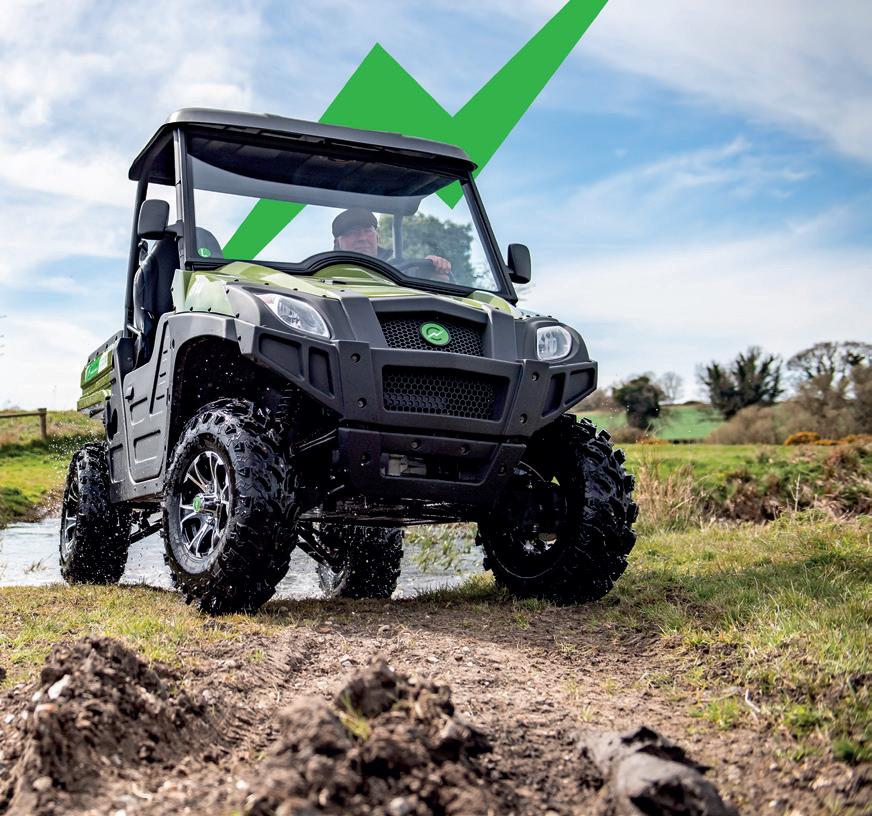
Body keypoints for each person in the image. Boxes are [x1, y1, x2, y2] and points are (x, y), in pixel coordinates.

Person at [331, 208, 452, 281]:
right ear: (337, 243)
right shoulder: (326, 276)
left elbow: (416, 277)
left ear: (377, 237)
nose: (362, 238)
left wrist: (431, 268)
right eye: (352, 232)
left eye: (367, 231)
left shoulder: (399, 270)